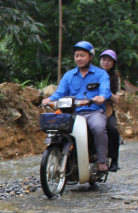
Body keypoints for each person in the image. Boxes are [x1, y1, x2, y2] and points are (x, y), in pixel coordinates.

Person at [43, 41, 112, 172]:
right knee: (57, 129)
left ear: (90, 57)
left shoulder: (100, 74)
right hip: (72, 113)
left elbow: (105, 89)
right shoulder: (68, 75)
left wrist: (101, 97)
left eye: (82, 55)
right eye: (76, 55)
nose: (79, 58)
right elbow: (60, 93)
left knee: (98, 127)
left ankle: (102, 161)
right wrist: (49, 99)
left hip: (93, 112)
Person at [97, 49, 122, 171]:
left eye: (109, 60)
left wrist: (106, 92)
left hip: (106, 108)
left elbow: (117, 99)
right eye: (104, 59)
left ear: (113, 63)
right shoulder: (92, 73)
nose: (106, 62)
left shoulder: (115, 77)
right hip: (89, 107)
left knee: (111, 128)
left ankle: (114, 159)